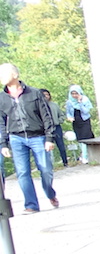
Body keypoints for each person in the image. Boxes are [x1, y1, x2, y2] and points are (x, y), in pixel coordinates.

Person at [0, 64, 60, 213]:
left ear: (15, 75)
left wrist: (49, 138)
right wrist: (3, 144)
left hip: (38, 136)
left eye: (4, 73)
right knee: (22, 172)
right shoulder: (1, 98)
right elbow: (1, 121)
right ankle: (31, 205)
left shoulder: (34, 93)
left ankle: (50, 193)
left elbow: (46, 116)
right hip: (16, 138)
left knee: (45, 169)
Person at [41, 88, 69, 167]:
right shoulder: (39, 106)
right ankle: (48, 165)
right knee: (46, 147)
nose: (46, 96)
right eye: (44, 95)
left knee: (61, 145)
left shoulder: (54, 105)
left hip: (56, 127)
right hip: (45, 129)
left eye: (47, 95)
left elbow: (62, 115)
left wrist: (58, 121)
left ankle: (65, 162)